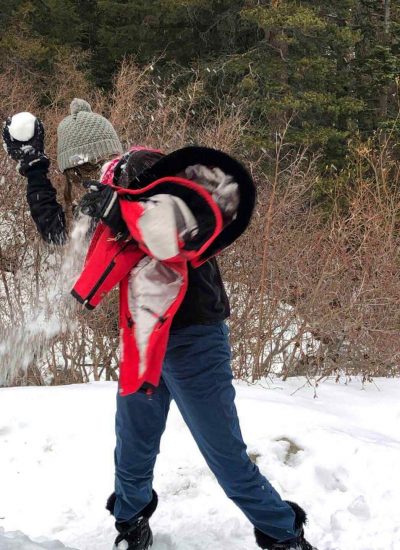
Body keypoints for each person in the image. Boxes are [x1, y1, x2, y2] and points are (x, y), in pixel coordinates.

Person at [2, 99, 318, 550]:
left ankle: (284, 534)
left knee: (224, 455)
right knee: (133, 446)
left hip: (193, 338)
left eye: (85, 164)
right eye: (75, 170)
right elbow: (62, 238)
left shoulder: (146, 168)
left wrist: (124, 208)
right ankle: (131, 524)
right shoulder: (99, 193)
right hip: (143, 336)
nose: (82, 174)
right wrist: (33, 169)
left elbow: (186, 225)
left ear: (104, 150)